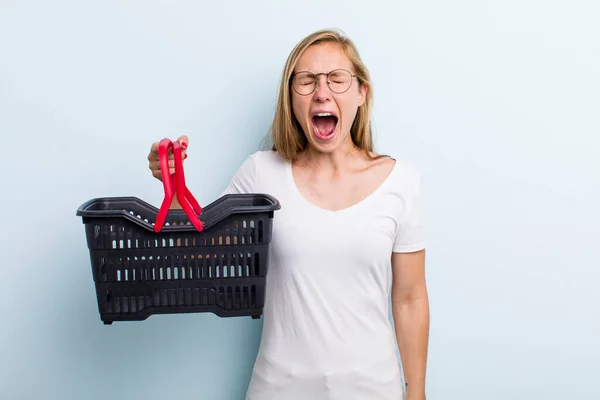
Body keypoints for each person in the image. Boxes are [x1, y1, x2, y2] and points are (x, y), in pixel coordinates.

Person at [148, 28, 429, 400]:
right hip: (279, 387)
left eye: (336, 79)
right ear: (291, 99)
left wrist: (418, 394)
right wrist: (172, 181)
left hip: (373, 388)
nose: (322, 92)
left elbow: (409, 299)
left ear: (361, 93)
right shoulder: (261, 174)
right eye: (307, 81)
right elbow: (203, 252)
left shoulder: (401, 183)